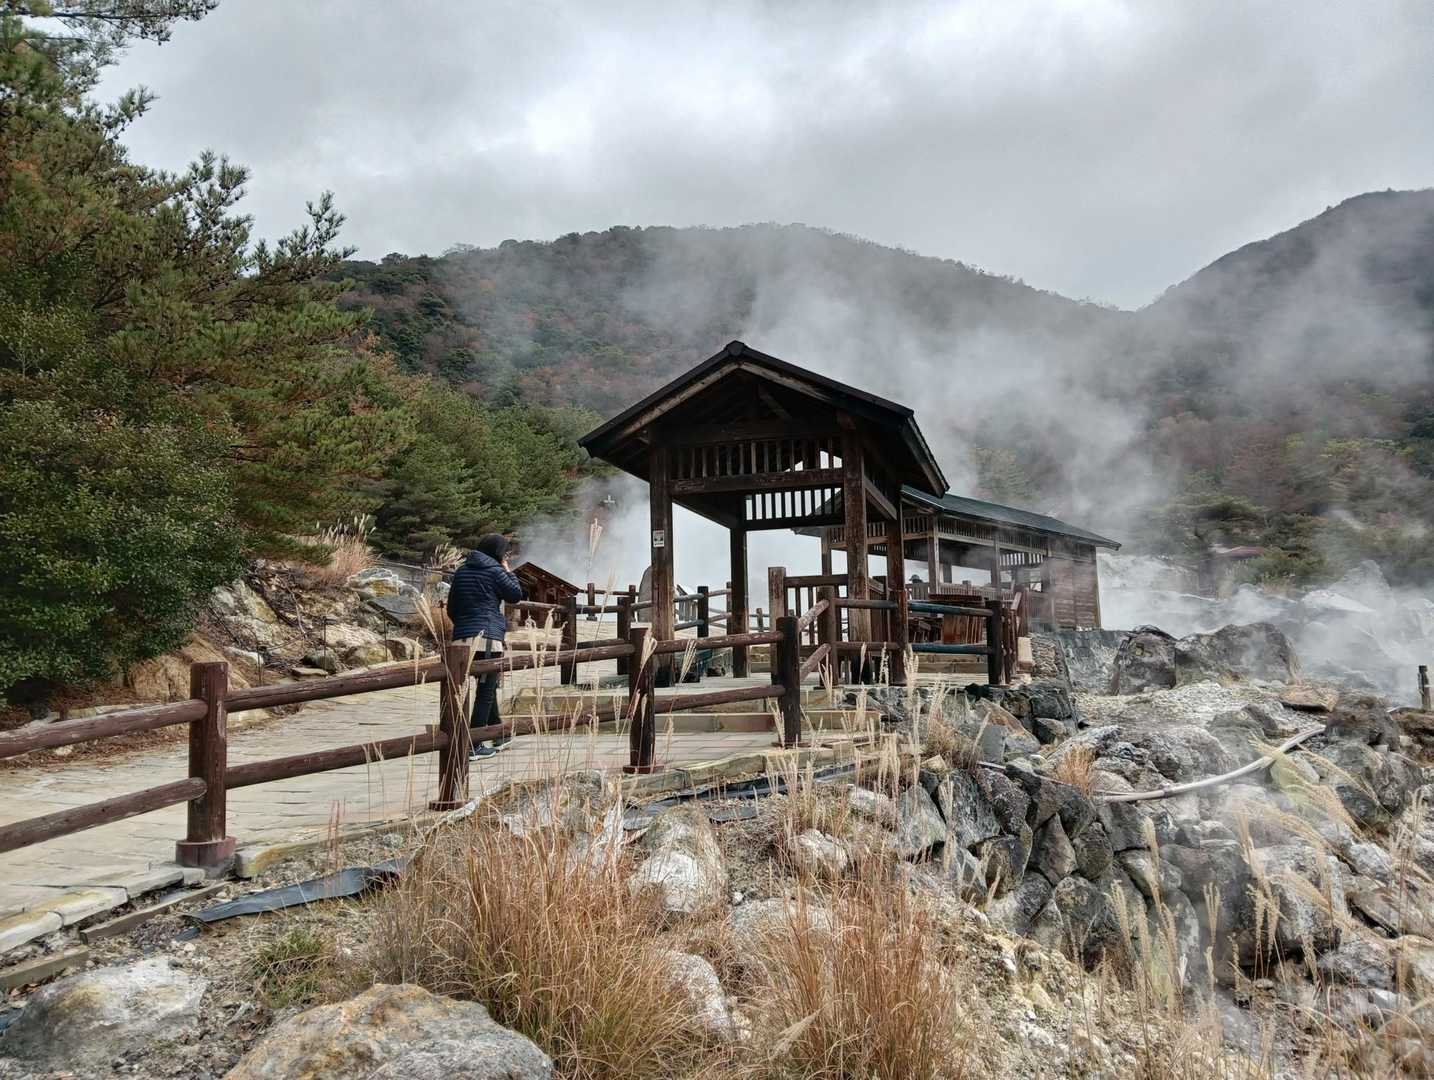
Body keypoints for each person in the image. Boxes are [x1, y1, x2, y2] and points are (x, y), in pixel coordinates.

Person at [446, 533, 523, 758]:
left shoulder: (462, 571)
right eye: (505, 553)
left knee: (485, 687)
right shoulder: (496, 571)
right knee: (486, 690)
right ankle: (474, 744)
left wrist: (465, 627)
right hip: (487, 638)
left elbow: (452, 608)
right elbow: (515, 595)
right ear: (499, 552)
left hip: (461, 639)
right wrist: (507, 569)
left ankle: (499, 734)